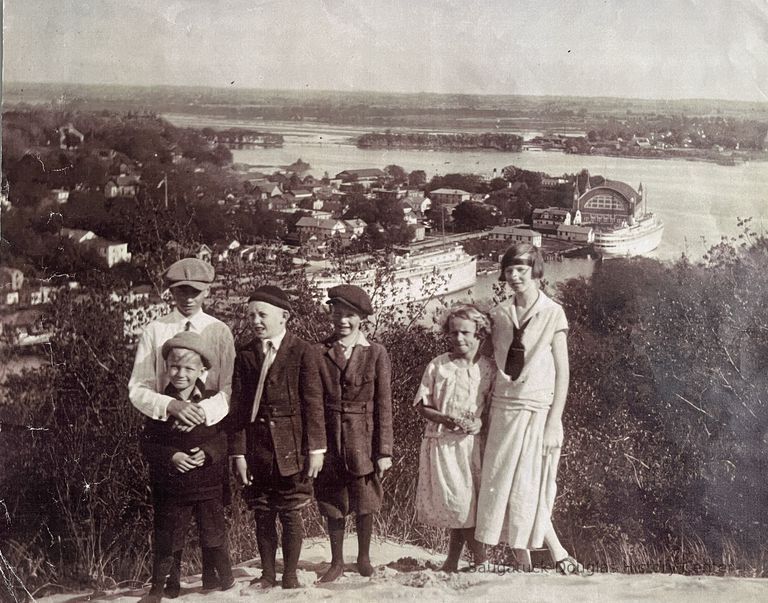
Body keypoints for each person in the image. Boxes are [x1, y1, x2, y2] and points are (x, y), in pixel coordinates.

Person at [129, 257, 236, 589]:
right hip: (168, 434)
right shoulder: (155, 330)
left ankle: (215, 581)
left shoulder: (219, 331)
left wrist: (203, 411)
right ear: (170, 292)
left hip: (207, 430)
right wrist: (171, 405)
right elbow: (138, 387)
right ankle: (168, 585)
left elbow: (231, 388)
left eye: (195, 291)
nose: (188, 298)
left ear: (206, 292)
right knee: (169, 520)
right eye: (180, 291)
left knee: (210, 519)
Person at [474, 243, 581, 574]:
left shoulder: (553, 313)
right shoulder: (499, 314)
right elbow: (482, 359)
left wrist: (555, 422)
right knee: (501, 481)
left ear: (536, 272)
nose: (515, 276)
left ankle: (556, 553)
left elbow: (563, 371)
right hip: (504, 407)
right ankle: (513, 561)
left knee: (533, 484)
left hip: (538, 408)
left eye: (522, 269)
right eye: (509, 270)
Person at [228, 286, 326, 590]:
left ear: (284, 317)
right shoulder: (245, 354)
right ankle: (268, 574)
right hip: (257, 449)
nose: (256, 321)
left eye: (262, 315)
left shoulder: (303, 351)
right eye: (251, 315)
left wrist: (317, 449)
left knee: (290, 512)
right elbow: (239, 409)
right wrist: (238, 453)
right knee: (262, 511)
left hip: (292, 447)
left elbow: (313, 403)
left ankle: (291, 575)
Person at [139, 332, 235, 602]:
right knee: (169, 536)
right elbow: (147, 444)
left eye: (189, 368)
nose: (180, 373)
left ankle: (223, 580)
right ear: (166, 368)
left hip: (207, 482)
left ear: (202, 370)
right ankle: (163, 588)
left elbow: (223, 437)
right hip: (173, 485)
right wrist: (172, 456)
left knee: (214, 532)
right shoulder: (159, 404)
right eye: (174, 367)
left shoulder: (213, 401)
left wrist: (208, 453)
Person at [314, 285, 393, 582]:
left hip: (364, 439)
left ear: (362, 318)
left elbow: (384, 405)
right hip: (330, 439)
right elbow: (313, 402)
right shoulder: (319, 351)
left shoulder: (376, 353)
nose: (342, 320)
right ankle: (336, 561)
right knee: (332, 500)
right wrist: (316, 447)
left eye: (349, 315)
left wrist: (384, 451)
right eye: (337, 313)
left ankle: (363, 557)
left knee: (364, 499)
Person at [413, 304, 494, 572]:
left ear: (479, 333)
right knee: (460, 502)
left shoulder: (487, 368)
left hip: (473, 446)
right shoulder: (438, 366)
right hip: (444, 444)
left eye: (465, 333)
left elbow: (492, 408)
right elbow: (422, 405)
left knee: (469, 505)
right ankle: (481, 560)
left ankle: (452, 561)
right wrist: (447, 418)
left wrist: (479, 422)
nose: (459, 338)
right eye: (453, 333)